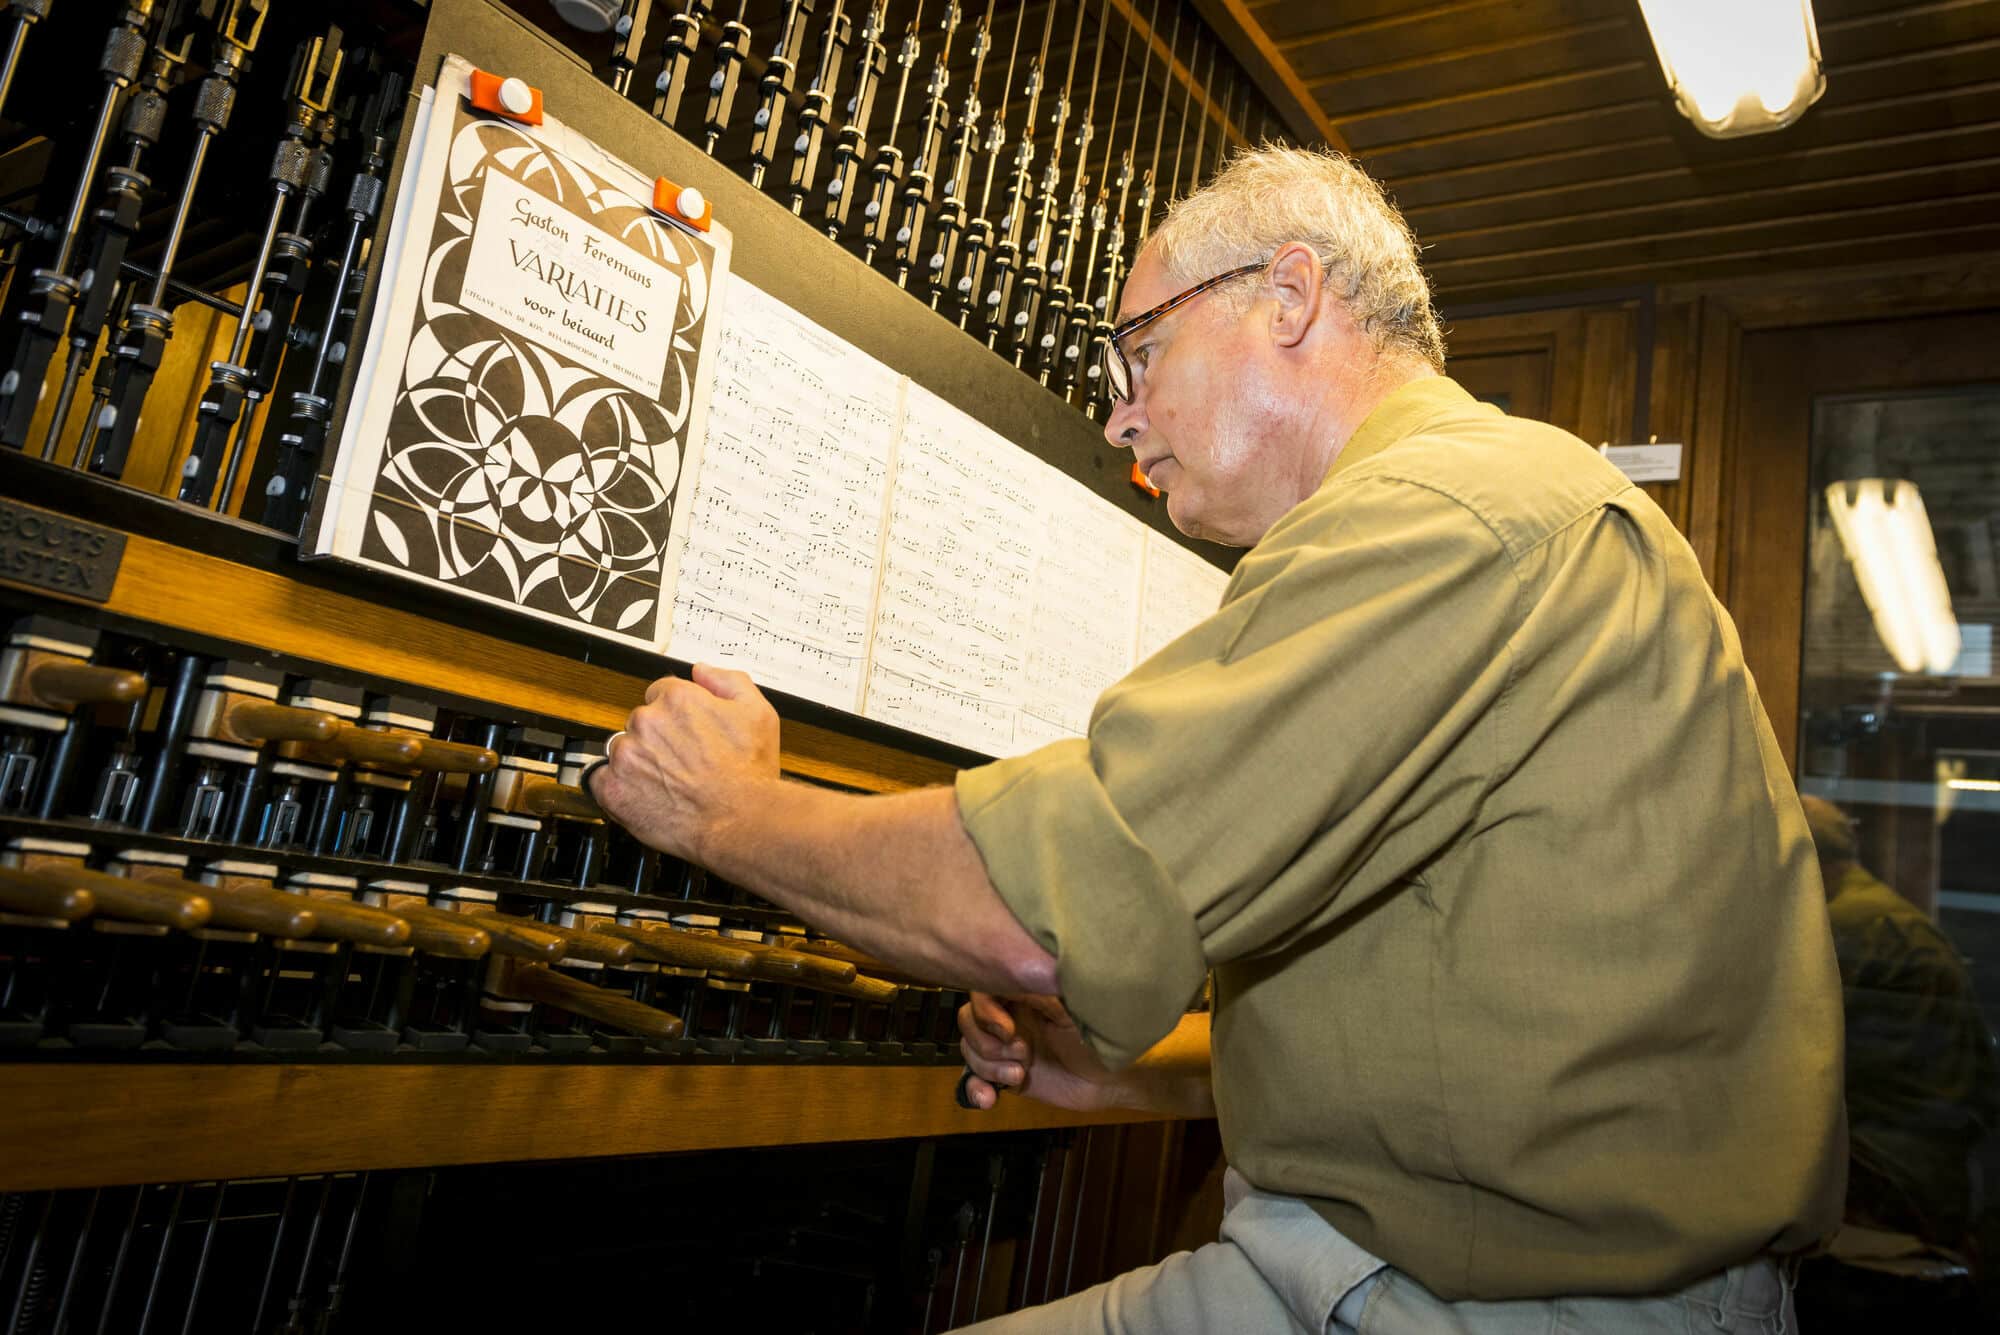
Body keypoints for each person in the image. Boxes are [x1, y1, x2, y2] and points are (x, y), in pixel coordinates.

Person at [589, 145, 1846, 1333]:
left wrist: (725, 807)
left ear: (1288, 297)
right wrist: (1143, 1077)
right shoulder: (1484, 505)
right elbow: (1466, 1041)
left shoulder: (1452, 513)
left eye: (1139, 352)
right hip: (1421, 1267)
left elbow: (1022, 918)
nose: (1122, 419)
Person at [1799, 795, 1997, 1262]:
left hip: (1891, 1172)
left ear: (1799, 856)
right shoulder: (1886, 914)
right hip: (1937, 1164)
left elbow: (1795, 1061)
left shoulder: (1843, 927)